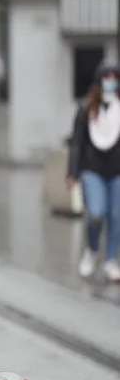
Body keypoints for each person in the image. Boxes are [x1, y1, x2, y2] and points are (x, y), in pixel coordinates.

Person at [67, 65, 120, 280]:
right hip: (92, 168)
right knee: (96, 212)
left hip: (116, 170)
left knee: (116, 216)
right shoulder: (86, 108)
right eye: (107, 78)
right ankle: (91, 251)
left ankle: (110, 260)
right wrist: (72, 172)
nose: (111, 81)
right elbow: (77, 142)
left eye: (114, 78)